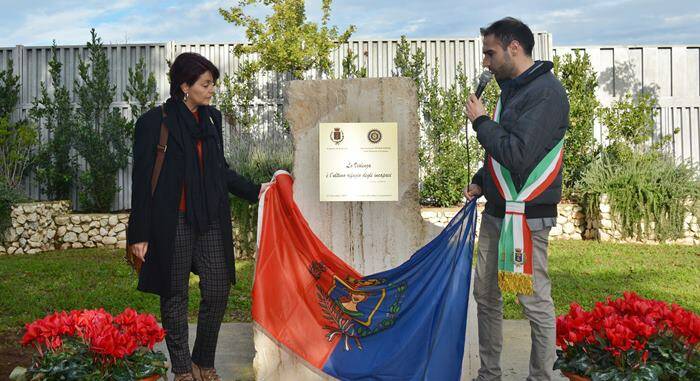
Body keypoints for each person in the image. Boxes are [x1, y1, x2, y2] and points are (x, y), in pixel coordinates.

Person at [127, 52, 270, 381]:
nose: (212, 90)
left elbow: (219, 170)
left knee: (219, 289)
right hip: (171, 221)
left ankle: (203, 360)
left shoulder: (211, 119)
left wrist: (257, 190)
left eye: (213, 84)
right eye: (206, 84)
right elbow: (141, 181)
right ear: (184, 86)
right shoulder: (154, 122)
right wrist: (138, 234)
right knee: (175, 293)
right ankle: (182, 369)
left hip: (209, 219)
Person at [464, 17, 569, 381]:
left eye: (490, 53)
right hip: (496, 210)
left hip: (527, 215)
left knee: (533, 301)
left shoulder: (546, 93)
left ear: (514, 48)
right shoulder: (512, 89)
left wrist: (480, 123)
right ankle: (489, 374)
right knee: (486, 296)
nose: (485, 62)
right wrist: (481, 180)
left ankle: (541, 376)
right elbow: (500, 150)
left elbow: (519, 154)